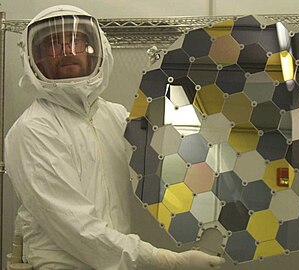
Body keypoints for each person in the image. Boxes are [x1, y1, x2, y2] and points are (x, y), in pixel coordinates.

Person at [5, 5, 226, 270]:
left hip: (116, 262)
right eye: (53, 43)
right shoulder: (33, 131)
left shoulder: (114, 117)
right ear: (33, 59)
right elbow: (74, 226)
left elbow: (171, 161)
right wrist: (166, 260)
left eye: (76, 40)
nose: (66, 50)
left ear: (99, 49)